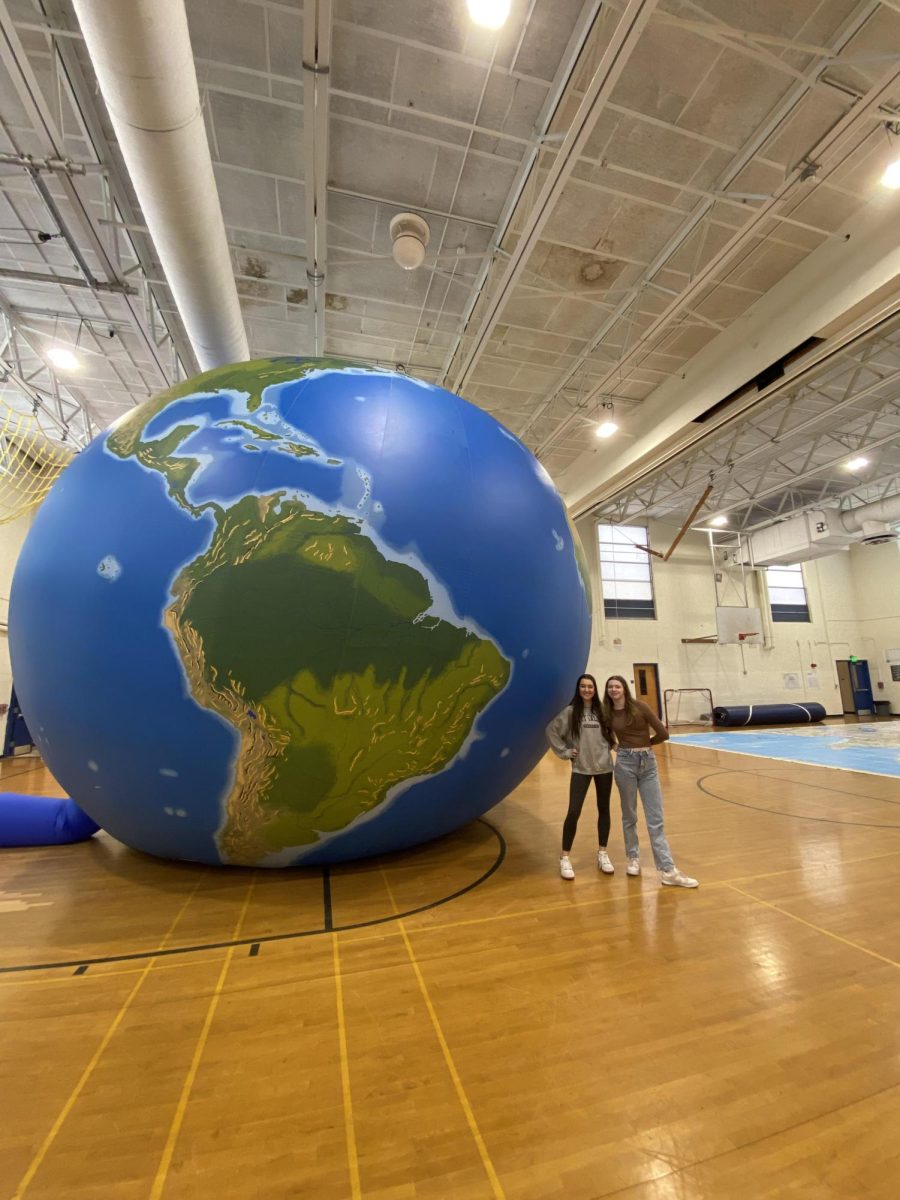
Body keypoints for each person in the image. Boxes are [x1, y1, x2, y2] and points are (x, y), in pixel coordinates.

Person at [602, 675, 698, 887]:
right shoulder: (606, 713)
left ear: (624, 688)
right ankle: (633, 858)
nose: (613, 690)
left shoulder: (640, 707)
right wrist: (615, 746)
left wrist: (646, 745)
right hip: (624, 765)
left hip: (648, 765)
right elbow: (605, 733)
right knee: (629, 815)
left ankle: (668, 870)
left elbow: (663, 733)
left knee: (655, 819)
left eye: (617, 686)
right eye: (610, 687)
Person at [546, 674, 616, 880]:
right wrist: (565, 752)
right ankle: (565, 857)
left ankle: (602, 853)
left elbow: (610, 733)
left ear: (595, 689)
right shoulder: (570, 712)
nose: (587, 690)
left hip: (604, 767)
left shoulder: (603, 711)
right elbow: (551, 731)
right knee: (574, 811)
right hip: (581, 768)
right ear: (578, 689)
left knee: (604, 809)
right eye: (583, 686)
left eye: (590, 686)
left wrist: (613, 744)